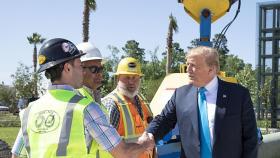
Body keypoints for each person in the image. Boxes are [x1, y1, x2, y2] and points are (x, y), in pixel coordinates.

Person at [11, 38, 153, 158]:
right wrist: (146, 144)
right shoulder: (84, 107)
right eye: (79, 65)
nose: (81, 71)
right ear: (67, 68)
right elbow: (122, 152)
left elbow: (17, 154)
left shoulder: (29, 111)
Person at [139, 46, 258, 158]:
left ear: (211, 69)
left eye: (194, 65)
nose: (188, 70)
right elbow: (164, 120)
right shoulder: (180, 94)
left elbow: (250, 138)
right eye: (187, 64)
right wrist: (150, 134)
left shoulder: (238, 94)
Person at [102, 57, 154, 158]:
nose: (131, 81)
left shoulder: (143, 100)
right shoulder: (111, 104)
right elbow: (106, 146)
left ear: (139, 78)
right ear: (118, 78)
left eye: (134, 77)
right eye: (127, 77)